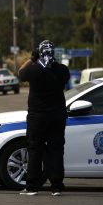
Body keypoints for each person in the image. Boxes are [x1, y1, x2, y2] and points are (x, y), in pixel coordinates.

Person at [17, 40, 70, 196]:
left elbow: (20, 73)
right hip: (57, 116)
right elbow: (61, 76)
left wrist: (32, 58)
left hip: (37, 117)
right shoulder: (62, 70)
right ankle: (57, 186)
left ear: (39, 53)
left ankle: (32, 186)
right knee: (56, 150)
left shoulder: (34, 70)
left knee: (35, 150)